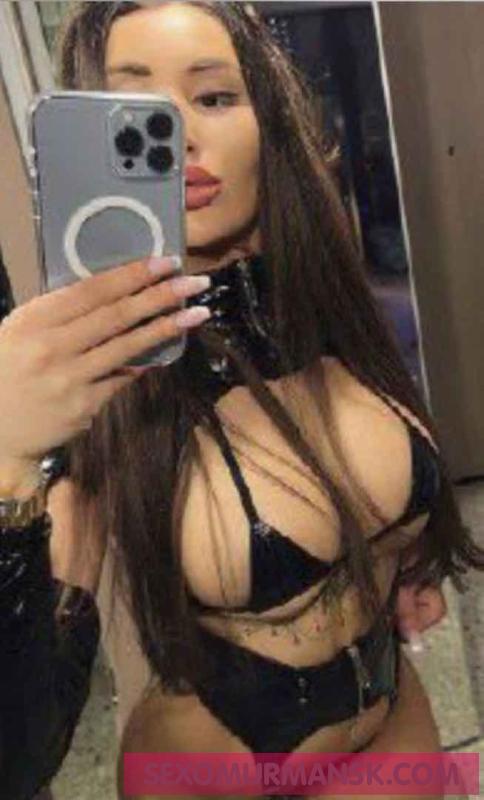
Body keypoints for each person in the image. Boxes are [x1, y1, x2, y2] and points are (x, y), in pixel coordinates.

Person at [0, 3, 482, 799]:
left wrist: (394, 568)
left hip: (391, 725)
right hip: (210, 773)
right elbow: (18, 756)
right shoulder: (88, 384)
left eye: (215, 97)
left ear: (271, 125)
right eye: (138, 110)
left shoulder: (329, 305)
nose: (181, 135)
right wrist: (10, 464)